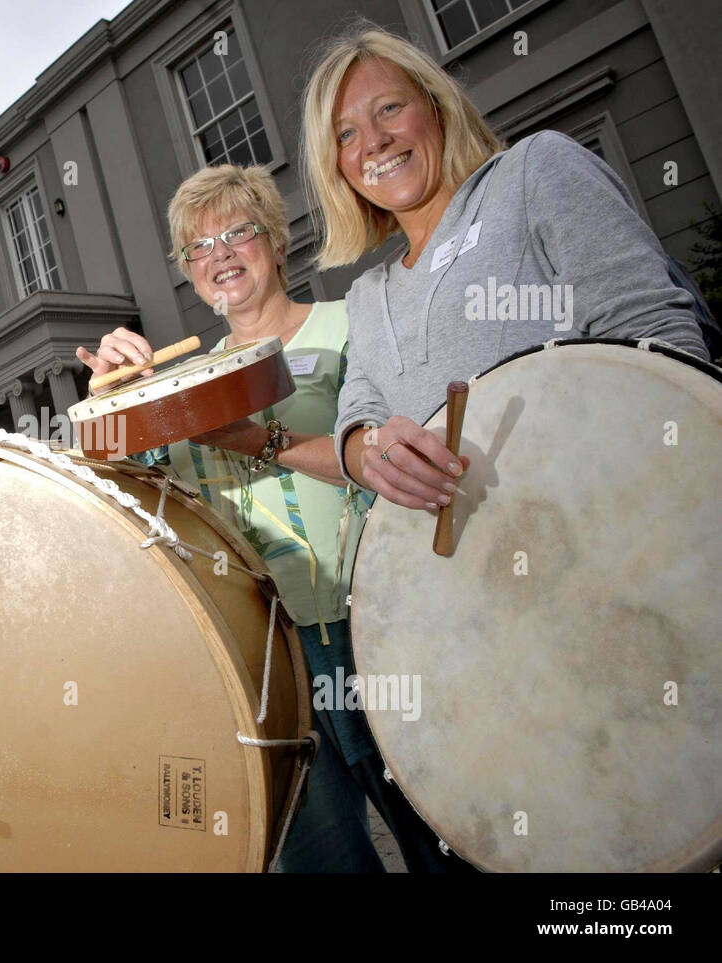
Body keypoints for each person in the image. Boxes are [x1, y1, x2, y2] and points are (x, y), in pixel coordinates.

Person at [77, 164, 445, 872]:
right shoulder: (180, 384)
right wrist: (108, 398)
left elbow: (395, 455)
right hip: (268, 656)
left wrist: (263, 439)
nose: (220, 253)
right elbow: (120, 491)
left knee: (440, 833)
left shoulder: (354, 324)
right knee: (319, 858)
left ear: (275, 242)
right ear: (189, 274)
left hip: (380, 626)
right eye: (199, 247)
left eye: (237, 232)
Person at [297, 22, 709, 503]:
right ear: (337, 166)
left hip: (614, 520)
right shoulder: (367, 295)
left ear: (437, 106)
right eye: (346, 134)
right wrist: (371, 453)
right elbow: (358, 421)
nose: (373, 142)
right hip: (469, 568)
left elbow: (659, 341)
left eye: (389, 108)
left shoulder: (533, 171)